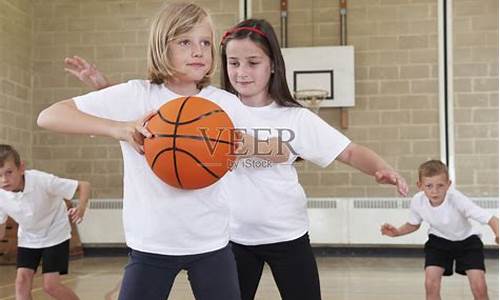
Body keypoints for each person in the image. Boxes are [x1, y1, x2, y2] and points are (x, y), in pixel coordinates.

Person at [62, 18, 409, 300]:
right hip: (234, 236)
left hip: (286, 233)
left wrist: (381, 168)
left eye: (253, 63)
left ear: (273, 65)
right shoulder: (212, 108)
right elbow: (160, 119)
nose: (241, 72)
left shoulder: (278, 116)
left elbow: (345, 150)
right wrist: (104, 90)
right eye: (233, 63)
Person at [36, 3, 288, 300]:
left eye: (205, 43)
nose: (198, 51)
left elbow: (281, 150)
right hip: (150, 244)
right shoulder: (135, 95)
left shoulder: (224, 103)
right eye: (185, 42)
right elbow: (49, 116)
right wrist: (118, 129)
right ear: (161, 47)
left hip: (211, 243)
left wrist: (237, 145)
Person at [381, 159, 499, 300]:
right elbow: (414, 224)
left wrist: (498, 233)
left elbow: (492, 219)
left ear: (448, 185)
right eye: (429, 186)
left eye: (440, 185)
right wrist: (397, 232)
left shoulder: (457, 199)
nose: (435, 191)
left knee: (479, 286)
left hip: (467, 242)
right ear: (420, 185)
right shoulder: (418, 201)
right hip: (439, 242)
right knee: (430, 283)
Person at [0, 144, 90, 300]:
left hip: (55, 233)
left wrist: (81, 208)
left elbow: (84, 185)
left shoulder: (41, 180)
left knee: (51, 286)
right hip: (29, 237)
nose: (4, 180)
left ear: (21, 168)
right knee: (21, 281)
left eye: (9, 172)